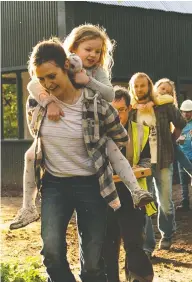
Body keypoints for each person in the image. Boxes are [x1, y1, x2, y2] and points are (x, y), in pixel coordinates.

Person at [10, 24, 152, 230]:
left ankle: (135, 190)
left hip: (93, 124)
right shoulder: (63, 65)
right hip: (60, 127)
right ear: (74, 48)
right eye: (89, 49)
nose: (93, 55)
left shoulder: (97, 72)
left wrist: (89, 81)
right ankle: (28, 207)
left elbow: (110, 95)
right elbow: (33, 84)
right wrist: (48, 100)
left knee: (113, 150)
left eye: (98, 51)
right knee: (30, 156)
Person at [22, 38, 129, 282]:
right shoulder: (37, 103)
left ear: (65, 68)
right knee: (50, 251)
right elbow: (36, 132)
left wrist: (102, 142)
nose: (47, 84)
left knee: (92, 262)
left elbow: (120, 136)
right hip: (55, 185)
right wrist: (47, 100)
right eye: (42, 79)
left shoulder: (92, 101)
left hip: (90, 184)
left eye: (52, 76)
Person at [128, 72, 186, 252]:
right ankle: (148, 244)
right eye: (136, 86)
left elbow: (181, 122)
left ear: (149, 86)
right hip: (141, 163)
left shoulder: (164, 106)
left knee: (165, 201)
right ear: (132, 88)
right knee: (145, 202)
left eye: (142, 85)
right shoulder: (131, 109)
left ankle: (167, 235)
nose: (139, 89)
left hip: (163, 159)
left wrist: (171, 139)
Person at [103, 86, 155, 282]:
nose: (117, 116)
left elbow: (147, 162)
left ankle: (138, 278)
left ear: (129, 109)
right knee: (108, 244)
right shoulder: (99, 133)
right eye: (112, 111)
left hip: (132, 196)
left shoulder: (140, 132)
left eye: (121, 110)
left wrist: (135, 169)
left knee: (133, 242)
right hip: (106, 195)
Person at [176, 99, 192, 211]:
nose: (186, 114)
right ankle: (185, 203)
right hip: (181, 156)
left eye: (189, 111)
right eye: (184, 111)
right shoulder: (179, 124)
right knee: (183, 182)